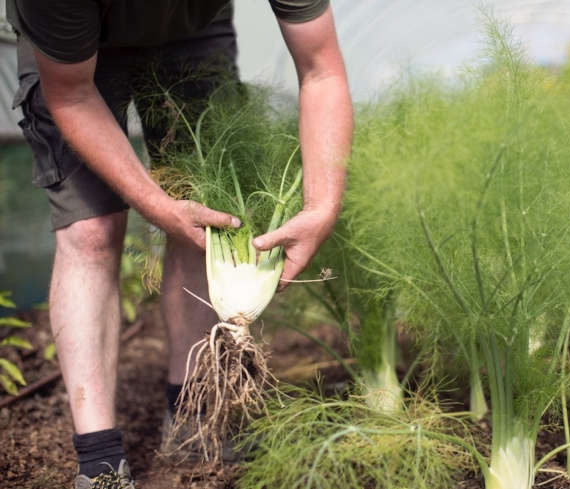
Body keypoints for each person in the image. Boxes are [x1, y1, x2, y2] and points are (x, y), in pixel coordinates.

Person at [6, 1, 352, 487]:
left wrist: (322, 206)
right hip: (75, 52)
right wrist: (157, 205)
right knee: (91, 232)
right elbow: (70, 94)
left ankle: (192, 415)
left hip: (193, 34)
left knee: (207, 213)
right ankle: (100, 460)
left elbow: (322, 69)